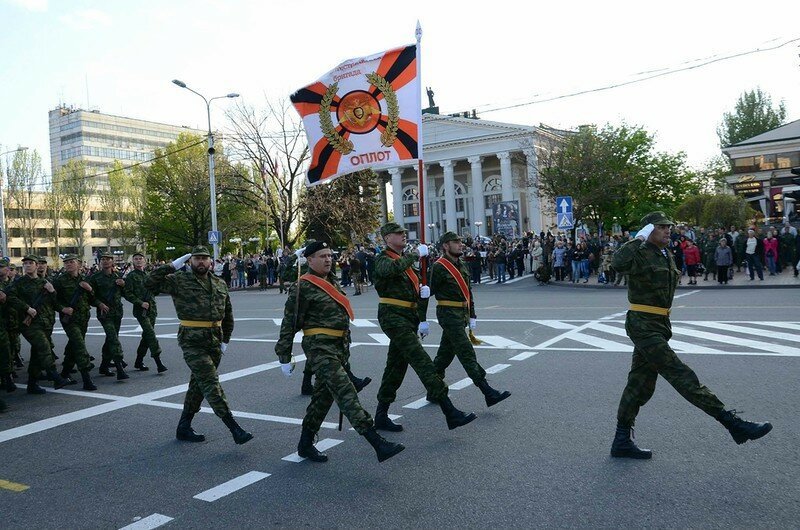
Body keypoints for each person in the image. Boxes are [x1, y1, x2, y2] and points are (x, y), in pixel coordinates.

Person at [609, 212, 772, 459]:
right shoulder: (639, 252)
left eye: (669, 226)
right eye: (662, 226)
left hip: (659, 323)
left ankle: (621, 440)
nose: (668, 230)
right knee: (680, 373)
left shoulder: (665, 253)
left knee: (639, 384)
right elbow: (617, 264)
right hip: (642, 324)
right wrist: (637, 238)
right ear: (649, 229)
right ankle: (733, 424)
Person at [275, 241, 403, 462]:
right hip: (319, 349)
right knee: (346, 393)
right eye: (322, 256)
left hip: (339, 348)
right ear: (309, 260)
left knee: (322, 400)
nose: (327, 259)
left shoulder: (332, 281)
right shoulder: (302, 287)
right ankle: (377, 443)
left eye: (329, 256)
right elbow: (289, 323)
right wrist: (284, 355)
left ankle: (305, 444)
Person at [373, 223, 477, 432]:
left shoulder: (407, 263)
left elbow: (409, 287)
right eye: (398, 234)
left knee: (396, 367)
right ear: (386, 238)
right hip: (393, 318)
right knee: (422, 362)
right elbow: (390, 270)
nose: (403, 236)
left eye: (404, 233)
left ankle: (381, 415)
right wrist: (413, 255)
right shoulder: (383, 259)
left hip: (407, 318)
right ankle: (450, 411)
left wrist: (421, 296)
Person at [146, 246, 252, 445]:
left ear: (210, 261)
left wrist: (225, 340)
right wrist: (171, 266)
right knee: (211, 383)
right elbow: (149, 283)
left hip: (214, 340)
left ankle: (184, 427)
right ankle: (234, 427)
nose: (201, 262)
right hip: (192, 341)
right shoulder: (179, 280)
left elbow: (227, 314)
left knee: (198, 385)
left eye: (204, 258)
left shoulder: (220, 283)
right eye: (197, 259)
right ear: (190, 261)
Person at [431, 231, 511, 407]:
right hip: (448, 315)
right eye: (456, 242)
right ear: (445, 246)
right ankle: (487, 392)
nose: (460, 244)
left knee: (445, 355)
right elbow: (427, 291)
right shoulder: (439, 266)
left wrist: (472, 313)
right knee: (466, 352)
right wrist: (421, 319)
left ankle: (432, 389)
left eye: (460, 242)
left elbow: (468, 291)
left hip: (461, 315)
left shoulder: (461, 264)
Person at [4, 255, 71, 393]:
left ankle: (32, 384)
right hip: (29, 324)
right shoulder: (19, 282)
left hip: (45, 323)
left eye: (30, 263)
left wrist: (52, 291)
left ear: (36, 266)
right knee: (44, 346)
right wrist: (26, 308)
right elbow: (10, 298)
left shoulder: (44, 282)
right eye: (25, 264)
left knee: (36, 353)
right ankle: (55, 376)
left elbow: (53, 302)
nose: (27, 265)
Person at [51, 254, 97, 391]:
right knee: (79, 345)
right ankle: (86, 379)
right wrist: (63, 309)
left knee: (74, 346)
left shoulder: (85, 279)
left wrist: (90, 290)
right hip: (69, 320)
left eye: (71, 262)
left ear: (78, 264)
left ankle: (64, 373)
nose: (69, 264)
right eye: (66, 263)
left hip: (83, 318)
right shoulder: (59, 281)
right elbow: (53, 300)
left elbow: (93, 298)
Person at [89, 252, 130, 380]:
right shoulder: (94, 278)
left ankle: (104, 365)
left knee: (111, 338)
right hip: (104, 313)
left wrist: (124, 285)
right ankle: (119, 367)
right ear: (100, 262)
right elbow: (90, 297)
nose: (105, 261)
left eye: (108, 259)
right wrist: (99, 304)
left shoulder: (118, 276)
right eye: (103, 260)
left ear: (112, 262)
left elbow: (126, 293)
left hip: (117, 312)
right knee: (113, 338)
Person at [125, 252, 167, 373]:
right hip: (140, 310)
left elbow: (156, 292)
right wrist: (139, 302)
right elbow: (128, 294)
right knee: (150, 334)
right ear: (133, 261)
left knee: (146, 336)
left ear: (144, 261)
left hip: (152, 309)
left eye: (140, 259)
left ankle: (139, 360)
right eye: (136, 259)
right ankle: (158, 362)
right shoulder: (131, 276)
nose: (138, 261)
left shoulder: (148, 275)